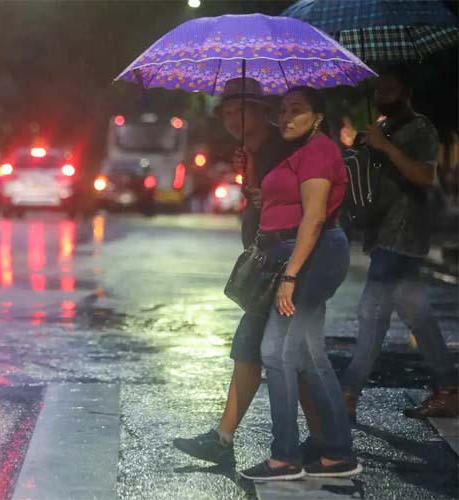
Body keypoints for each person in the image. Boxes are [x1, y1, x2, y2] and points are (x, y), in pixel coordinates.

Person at [173, 78, 322, 465]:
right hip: (269, 258)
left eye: (240, 111)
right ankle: (324, 438)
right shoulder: (254, 150)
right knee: (279, 353)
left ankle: (241, 442)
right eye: (225, 113)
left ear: (260, 110)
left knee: (264, 349)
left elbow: (299, 205)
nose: (231, 119)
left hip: (285, 261)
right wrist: (250, 178)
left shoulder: (283, 146)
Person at [239, 86, 361, 480]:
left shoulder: (320, 151)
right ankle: (337, 452)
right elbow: (277, 202)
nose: (287, 117)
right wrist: (254, 175)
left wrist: (290, 275)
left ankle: (285, 457)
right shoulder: (292, 151)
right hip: (297, 253)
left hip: (314, 254)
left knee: (275, 350)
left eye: (298, 110)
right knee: (308, 353)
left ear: (318, 117)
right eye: (283, 110)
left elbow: (312, 219)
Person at [341, 67, 458, 420]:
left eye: (390, 88)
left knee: (371, 314)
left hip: (402, 233)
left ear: (406, 91)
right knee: (417, 314)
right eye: (379, 88)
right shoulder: (383, 128)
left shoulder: (421, 128)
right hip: (384, 234)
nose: (382, 93)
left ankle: (347, 394)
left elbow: (424, 176)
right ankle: (449, 389)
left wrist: (385, 147)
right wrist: (367, 147)